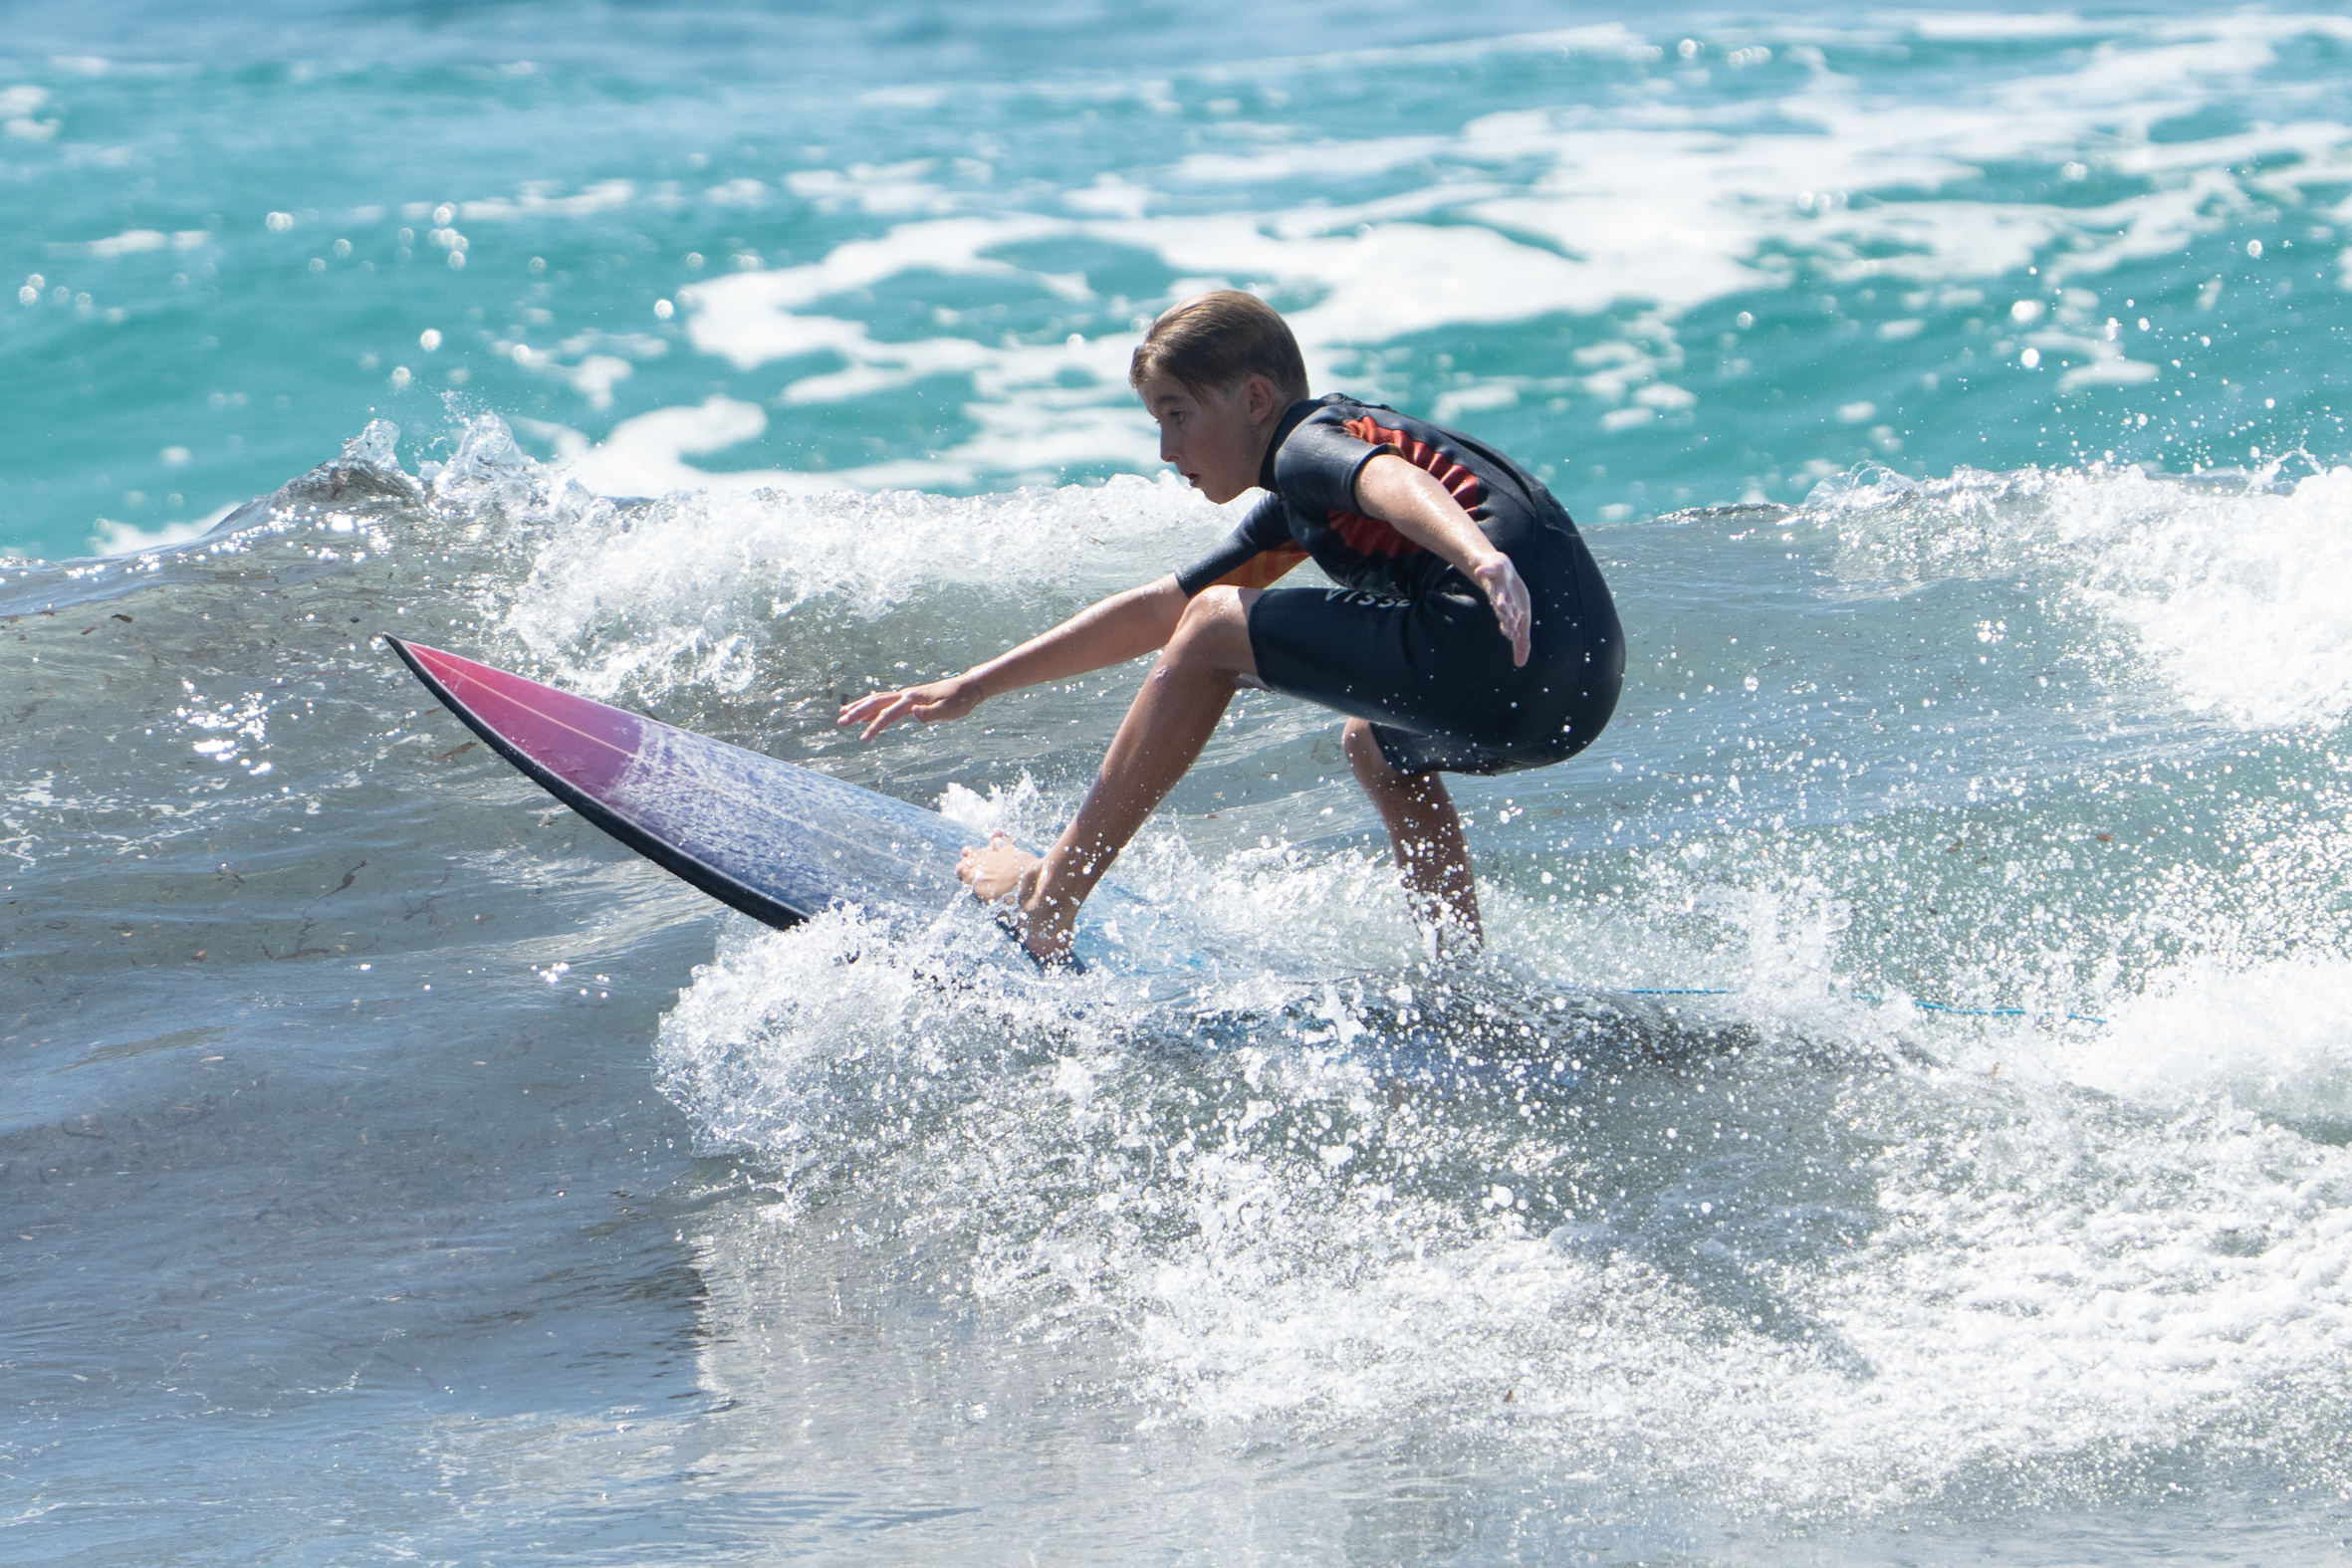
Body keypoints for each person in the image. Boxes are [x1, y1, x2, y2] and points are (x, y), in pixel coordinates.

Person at [838, 291, 1623, 963]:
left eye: (1176, 414)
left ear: (1254, 400)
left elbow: (1387, 480)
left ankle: (1050, 897)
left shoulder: (1308, 449)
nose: (1165, 446)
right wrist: (976, 684)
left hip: (1488, 642)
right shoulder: (1301, 497)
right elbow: (1161, 608)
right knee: (1371, 742)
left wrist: (1475, 555)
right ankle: (1459, 974)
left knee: (1218, 627)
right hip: (1576, 693)